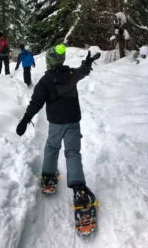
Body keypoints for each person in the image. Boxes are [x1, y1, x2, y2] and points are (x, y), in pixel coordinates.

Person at [16, 44, 100, 206]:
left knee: (52, 147)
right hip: (73, 121)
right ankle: (79, 190)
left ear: (49, 62)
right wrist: (88, 62)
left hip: (56, 122)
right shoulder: (70, 74)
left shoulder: (45, 81)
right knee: (73, 152)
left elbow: (36, 102)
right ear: (61, 60)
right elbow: (83, 71)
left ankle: (48, 177)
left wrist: (25, 119)